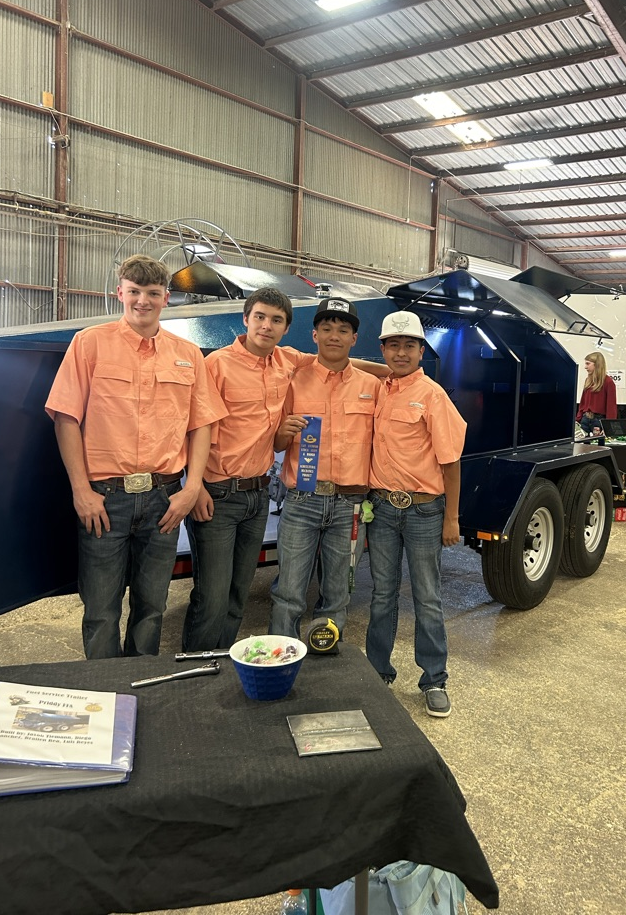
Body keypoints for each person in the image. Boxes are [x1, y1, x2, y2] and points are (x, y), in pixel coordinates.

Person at [182, 289, 385, 651]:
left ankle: (309, 660)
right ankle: (223, 662)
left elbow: (343, 368)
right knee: (231, 595)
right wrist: (193, 484)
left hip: (293, 499)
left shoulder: (294, 365)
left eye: (276, 320)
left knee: (245, 596)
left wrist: (396, 373)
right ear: (246, 319)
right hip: (234, 494)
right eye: (260, 317)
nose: (266, 325)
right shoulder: (225, 366)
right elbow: (197, 426)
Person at [46, 254, 227, 659]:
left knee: (151, 608)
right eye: (134, 292)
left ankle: (140, 685)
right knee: (101, 609)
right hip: (105, 499)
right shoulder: (89, 344)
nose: (142, 301)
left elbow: (201, 425)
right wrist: (81, 490)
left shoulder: (187, 354)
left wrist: (191, 487)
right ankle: (105, 697)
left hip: (165, 499)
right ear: (119, 294)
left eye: (152, 293)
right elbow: (65, 419)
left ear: (166, 298)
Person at [365, 311, 466, 719]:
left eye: (409, 345)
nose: (401, 352)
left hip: (424, 511)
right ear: (384, 349)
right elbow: (373, 368)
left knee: (427, 597)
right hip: (384, 509)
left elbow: (451, 462)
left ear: (422, 351)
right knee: (382, 594)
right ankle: (377, 672)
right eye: (393, 345)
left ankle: (434, 679)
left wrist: (452, 518)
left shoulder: (433, 396)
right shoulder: (380, 388)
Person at [269, 298, 381, 639]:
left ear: (354, 339)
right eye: (328, 328)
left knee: (338, 594)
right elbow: (275, 444)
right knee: (288, 593)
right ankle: (281, 661)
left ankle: (325, 664)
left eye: (343, 330)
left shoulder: (371, 387)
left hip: (350, 508)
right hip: (302, 502)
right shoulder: (293, 380)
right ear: (314, 334)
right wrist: (282, 434)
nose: (335, 335)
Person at [576, 351, 617, 436]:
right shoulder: (588, 381)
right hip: (585, 419)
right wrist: (577, 420)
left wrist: (608, 427)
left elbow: (611, 406)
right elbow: (582, 402)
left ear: (596, 365)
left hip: (598, 421)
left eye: (588, 364)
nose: (585, 367)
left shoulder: (608, 382)